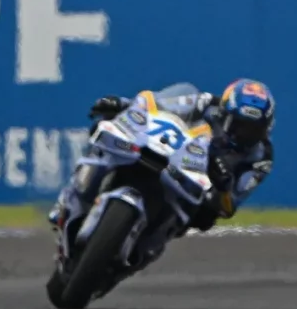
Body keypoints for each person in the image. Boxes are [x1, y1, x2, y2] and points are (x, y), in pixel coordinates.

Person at [49, 79, 275, 233]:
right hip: (165, 154)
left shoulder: (261, 157)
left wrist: (223, 186)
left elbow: (229, 207)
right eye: (239, 126)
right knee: (105, 128)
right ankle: (72, 198)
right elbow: (159, 105)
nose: (245, 135)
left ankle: (142, 246)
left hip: (193, 191)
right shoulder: (205, 104)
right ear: (225, 114)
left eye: (254, 130)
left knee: (202, 220)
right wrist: (123, 105)